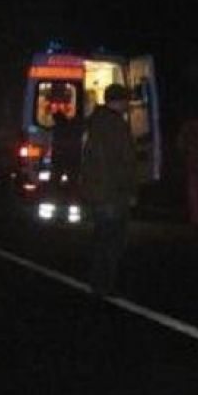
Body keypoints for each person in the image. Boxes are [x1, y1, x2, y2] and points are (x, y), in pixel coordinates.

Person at [80, 84, 136, 299]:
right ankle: (106, 285)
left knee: (101, 239)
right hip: (113, 192)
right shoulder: (116, 125)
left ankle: (97, 283)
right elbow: (125, 161)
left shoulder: (94, 122)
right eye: (126, 101)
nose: (128, 105)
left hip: (97, 190)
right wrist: (130, 190)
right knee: (113, 241)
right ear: (120, 101)